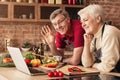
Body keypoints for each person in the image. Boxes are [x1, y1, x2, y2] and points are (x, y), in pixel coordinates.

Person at [77, 4, 120, 72]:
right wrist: (87, 43)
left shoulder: (109, 33)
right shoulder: (93, 35)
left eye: (85, 20)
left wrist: (94, 65)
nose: (83, 25)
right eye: (81, 22)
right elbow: (86, 64)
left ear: (98, 19)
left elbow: (107, 67)